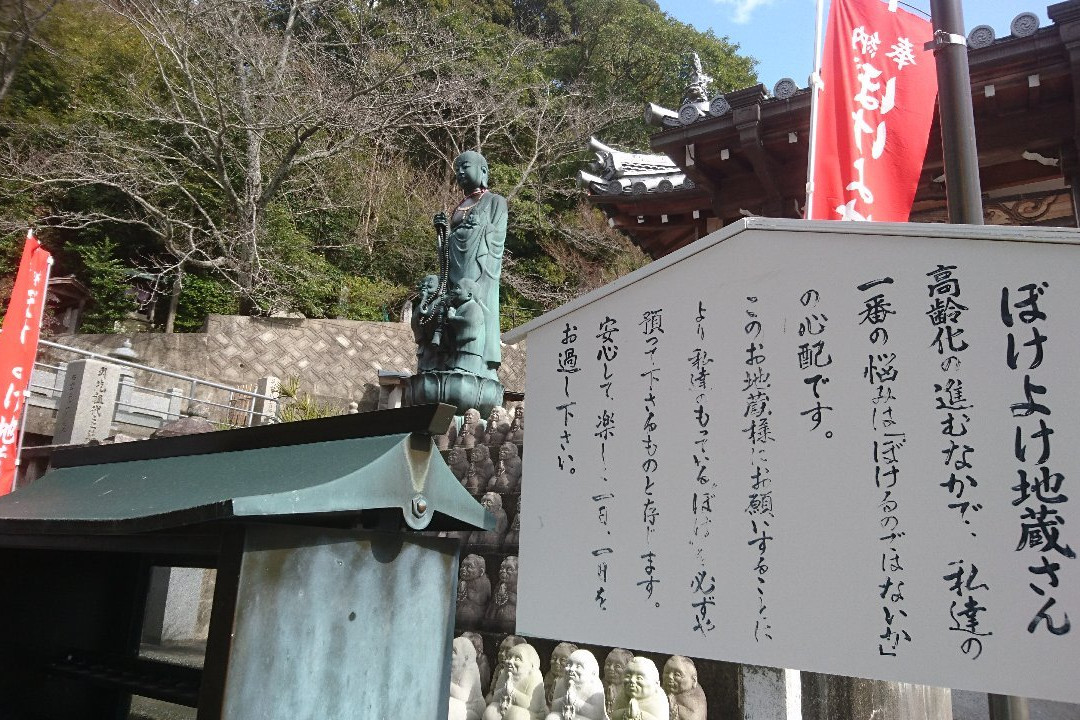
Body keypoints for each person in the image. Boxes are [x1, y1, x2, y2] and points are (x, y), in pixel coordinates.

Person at [433, 150, 507, 380]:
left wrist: (477, 228)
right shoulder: (459, 206)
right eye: (457, 169)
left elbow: (497, 239)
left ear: (483, 171)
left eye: (465, 166)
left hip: (479, 268)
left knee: (471, 308)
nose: (460, 172)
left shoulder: (495, 202)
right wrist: (443, 232)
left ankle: (474, 362)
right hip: (455, 265)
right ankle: (447, 357)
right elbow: (450, 242)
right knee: (449, 307)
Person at [483, 643, 547, 720]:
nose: (510, 661)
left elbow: (532, 706)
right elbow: (495, 698)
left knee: (516, 715)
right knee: (491, 711)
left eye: (517, 659)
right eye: (509, 657)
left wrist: (512, 692)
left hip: (530, 714)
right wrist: (503, 691)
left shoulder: (534, 676)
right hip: (504, 707)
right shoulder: (504, 673)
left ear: (531, 664)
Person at [546, 649, 606, 720]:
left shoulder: (595, 685)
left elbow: (597, 714)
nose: (571, 669)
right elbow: (554, 706)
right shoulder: (562, 682)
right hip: (563, 714)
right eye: (569, 664)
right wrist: (564, 700)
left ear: (592, 672)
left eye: (578, 666)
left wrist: (575, 702)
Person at [446, 279, 487, 376]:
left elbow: (470, 323)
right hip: (459, 351)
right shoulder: (461, 307)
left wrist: (452, 318)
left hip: (470, 351)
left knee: (462, 372)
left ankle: (466, 368)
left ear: (469, 295)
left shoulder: (474, 307)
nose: (453, 291)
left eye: (457, 288)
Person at [450, 636, 487, 720]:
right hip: (462, 705)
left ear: (465, 657)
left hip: (472, 708)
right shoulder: (455, 667)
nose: (449, 654)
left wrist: (446, 683)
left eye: (453, 651)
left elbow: (463, 696)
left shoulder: (470, 670)